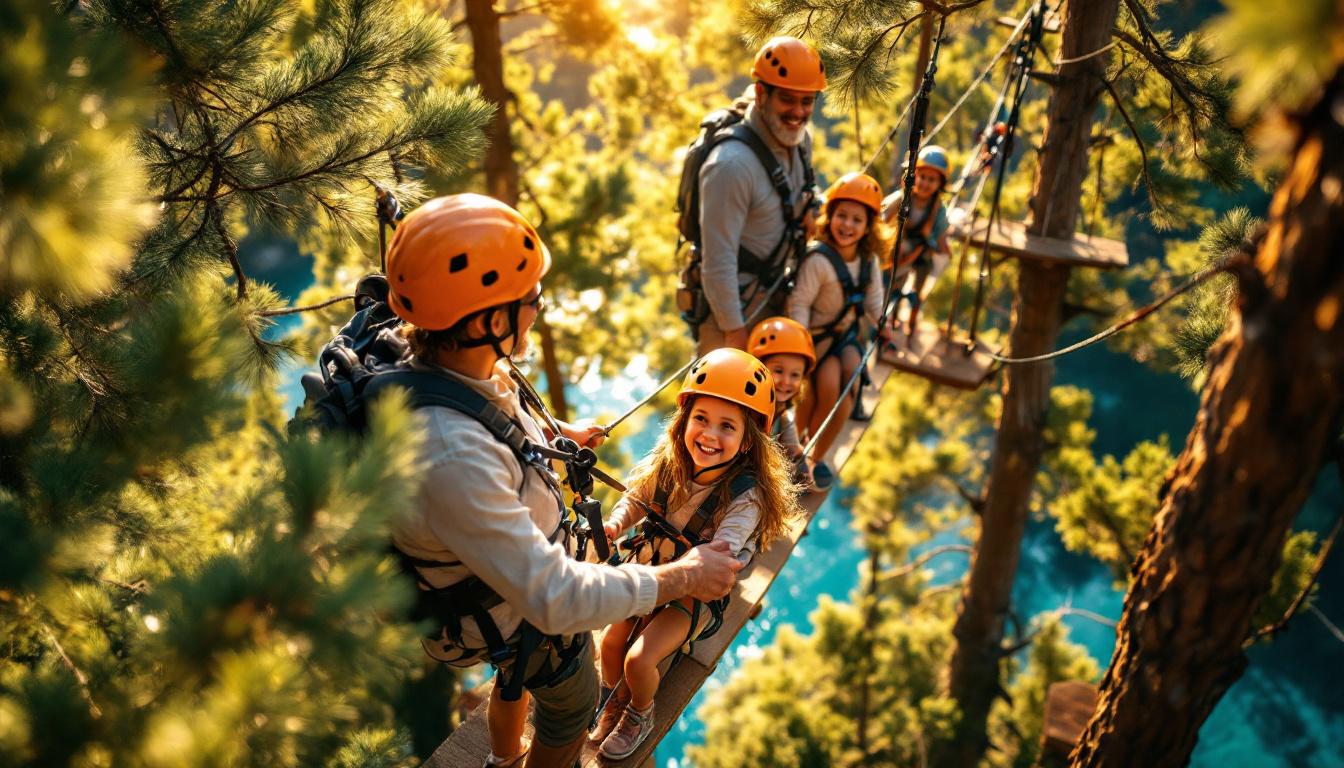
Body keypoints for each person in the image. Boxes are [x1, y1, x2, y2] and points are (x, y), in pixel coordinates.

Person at [383, 194, 746, 768]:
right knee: (572, 703)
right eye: (530, 299)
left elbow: (492, 409)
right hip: (514, 608)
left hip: (504, 578)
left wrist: (555, 434)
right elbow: (558, 600)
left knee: (517, 687)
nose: (537, 309)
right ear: (487, 320)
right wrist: (681, 577)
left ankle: (504, 761)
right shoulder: (452, 456)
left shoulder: (452, 362)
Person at [591, 348, 802, 759]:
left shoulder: (746, 496)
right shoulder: (670, 463)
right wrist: (618, 522)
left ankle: (639, 710)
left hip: (692, 593)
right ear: (685, 420)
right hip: (651, 568)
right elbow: (638, 498)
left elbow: (725, 550)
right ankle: (610, 700)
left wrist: (707, 560)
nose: (709, 435)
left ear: (746, 443)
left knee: (639, 660)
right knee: (611, 643)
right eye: (701, 419)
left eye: (727, 427)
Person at [694, 36, 827, 355]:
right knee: (723, 403)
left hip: (779, 294)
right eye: (788, 100)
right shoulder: (731, 166)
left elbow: (803, 188)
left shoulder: (799, 139)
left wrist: (814, 207)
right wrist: (735, 336)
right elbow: (717, 261)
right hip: (733, 314)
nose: (798, 112)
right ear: (760, 93)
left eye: (807, 101)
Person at [789, 172, 892, 489]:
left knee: (847, 386)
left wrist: (883, 325)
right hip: (815, 336)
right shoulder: (817, 259)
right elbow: (800, 303)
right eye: (841, 216)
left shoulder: (867, 261)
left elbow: (874, 300)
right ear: (830, 216)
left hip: (844, 336)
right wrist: (799, 345)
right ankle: (795, 453)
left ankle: (816, 457)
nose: (847, 225)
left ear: (868, 226)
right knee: (824, 386)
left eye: (856, 220)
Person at [881, 144, 953, 339]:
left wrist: (944, 248)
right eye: (921, 177)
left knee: (920, 282)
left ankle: (913, 316)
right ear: (913, 177)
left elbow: (940, 234)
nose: (925, 183)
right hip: (899, 248)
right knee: (892, 281)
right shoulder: (901, 198)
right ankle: (888, 316)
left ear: (940, 184)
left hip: (922, 249)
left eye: (932, 179)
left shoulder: (938, 209)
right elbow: (883, 216)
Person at [747, 316, 817, 487]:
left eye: (795, 375)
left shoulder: (782, 410)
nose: (786, 381)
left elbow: (788, 433)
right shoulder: (747, 409)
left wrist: (798, 456)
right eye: (778, 371)